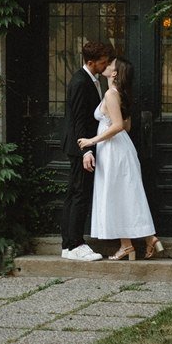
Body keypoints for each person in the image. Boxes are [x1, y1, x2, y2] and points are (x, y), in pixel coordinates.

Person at [79, 55, 163, 261]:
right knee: (122, 195)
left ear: (114, 73)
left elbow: (117, 126)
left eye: (110, 65)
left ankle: (130, 245)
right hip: (121, 148)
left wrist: (92, 141)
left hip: (113, 149)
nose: (106, 66)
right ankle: (143, 240)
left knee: (116, 195)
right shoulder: (121, 94)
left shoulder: (110, 94)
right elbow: (127, 126)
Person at [59, 38, 111, 260]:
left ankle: (68, 244)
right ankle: (75, 245)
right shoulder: (81, 82)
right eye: (102, 62)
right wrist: (86, 151)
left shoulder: (91, 79)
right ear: (91, 62)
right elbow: (79, 120)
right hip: (81, 147)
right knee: (79, 195)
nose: (106, 65)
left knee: (75, 194)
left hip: (83, 145)